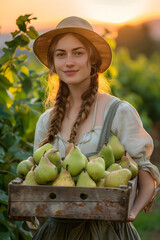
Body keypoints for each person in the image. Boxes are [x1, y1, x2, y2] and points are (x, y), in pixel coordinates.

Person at [32, 16, 160, 240]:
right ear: (53, 64)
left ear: (92, 59)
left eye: (78, 53)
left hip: (107, 231)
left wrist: (130, 214)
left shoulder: (119, 112)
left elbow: (146, 175)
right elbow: (38, 181)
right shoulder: (46, 121)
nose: (69, 62)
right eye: (61, 54)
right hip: (56, 233)